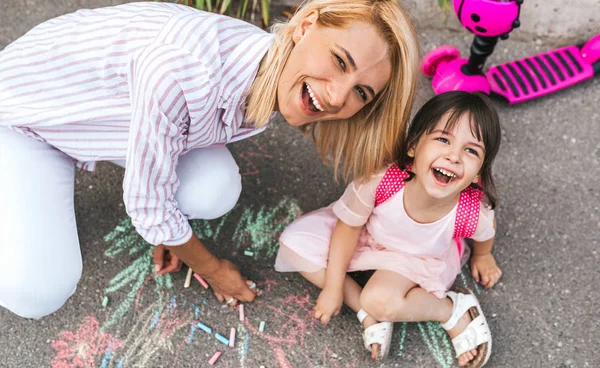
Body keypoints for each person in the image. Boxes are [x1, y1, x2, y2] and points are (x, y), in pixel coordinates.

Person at [0, 0, 419, 319]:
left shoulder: (268, 67)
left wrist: (170, 233)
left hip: (93, 116)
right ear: (306, 25)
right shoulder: (184, 72)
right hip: (24, 119)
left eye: (361, 92)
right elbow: (147, 206)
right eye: (340, 61)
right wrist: (214, 267)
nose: (337, 96)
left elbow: (162, 184)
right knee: (38, 291)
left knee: (213, 188)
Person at [275, 91, 503, 368]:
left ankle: (451, 310)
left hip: (416, 259)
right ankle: (364, 311)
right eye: (443, 139)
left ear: (478, 172)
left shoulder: (471, 211)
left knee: (380, 300)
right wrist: (333, 287)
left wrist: (483, 256)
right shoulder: (381, 182)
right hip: (366, 237)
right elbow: (347, 228)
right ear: (413, 147)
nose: (454, 156)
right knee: (294, 244)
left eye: (471, 151)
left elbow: (485, 232)